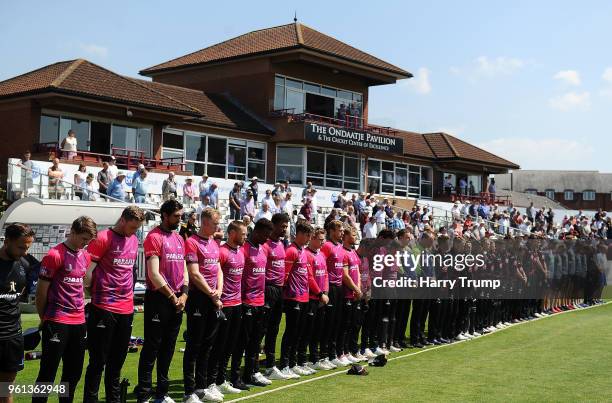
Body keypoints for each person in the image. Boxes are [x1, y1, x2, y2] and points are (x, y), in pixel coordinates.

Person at [83, 206, 145, 403]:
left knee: (117, 362)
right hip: (103, 307)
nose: (134, 232)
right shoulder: (102, 238)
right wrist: (92, 295)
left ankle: (113, 399)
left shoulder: (134, 240)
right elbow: (87, 272)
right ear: (123, 220)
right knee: (97, 361)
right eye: (132, 227)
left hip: (126, 309)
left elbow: (129, 271)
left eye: (137, 229)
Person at [34, 216, 97, 403]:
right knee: (47, 373)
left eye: (89, 240)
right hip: (57, 320)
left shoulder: (85, 256)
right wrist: (44, 318)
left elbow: (82, 285)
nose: (86, 244)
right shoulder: (54, 255)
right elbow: (40, 294)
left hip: (79, 322)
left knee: (73, 373)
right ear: (73, 232)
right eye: (83, 239)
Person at [135, 200, 188, 403]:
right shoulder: (154, 237)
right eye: (176, 216)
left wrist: (183, 295)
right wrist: (173, 297)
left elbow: (184, 271)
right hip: (159, 299)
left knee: (168, 348)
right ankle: (144, 395)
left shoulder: (179, 238)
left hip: (177, 299)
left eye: (181, 215)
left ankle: (162, 393)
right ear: (165, 215)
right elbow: (154, 274)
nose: (179, 219)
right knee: (152, 348)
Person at [183, 208, 224, 403]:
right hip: (199, 297)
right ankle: (189, 391)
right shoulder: (191, 242)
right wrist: (211, 293)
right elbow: (194, 273)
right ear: (205, 222)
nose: (218, 226)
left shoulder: (214, 243)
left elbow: (218, 269)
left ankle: (202, 386)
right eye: (215, 223)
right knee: (194, 345)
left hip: (212, 297)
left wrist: (219, 291)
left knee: (208, 345)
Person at [233, 219, 274, 388]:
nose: (267, 238)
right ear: (256, 231)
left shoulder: (264, 248)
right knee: (241, 342)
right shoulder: (243, 249)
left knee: (256, 342)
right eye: (265, 235)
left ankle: (251, 373)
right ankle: (235, 377)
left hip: (260, 301)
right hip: (246, 301)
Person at [208, 221, 247, 396]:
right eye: (243, 233)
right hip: (224, 304)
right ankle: (211, 381)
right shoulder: (222, 252)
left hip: (238, 303)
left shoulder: (241, 252)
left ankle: (222, 380)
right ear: (232, 233)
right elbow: (216, 276)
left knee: (230, 345)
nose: (245, 236)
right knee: (218, 346)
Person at [0, 223, 35, 403]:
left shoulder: (25, 264)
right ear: (7, 241)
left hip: (13, 336)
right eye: (21, 247)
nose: (25, 252)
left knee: (6, 388)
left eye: (28, 247)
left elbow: (17, 296)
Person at [278, 221, 314, 377]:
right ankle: (285, 365)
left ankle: (294, 363)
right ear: (299, 234)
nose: (308, 238)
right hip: (293, 297)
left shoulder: (303, 252)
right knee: (291, 332)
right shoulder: (291, 251)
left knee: (299, 332)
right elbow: (284, 276)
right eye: (307, 235)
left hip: (304, 297)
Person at [261, 213, 290, 380]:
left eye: (286, 226)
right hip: (268, 289)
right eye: (282, 226)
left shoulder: (281, 244)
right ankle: (253, 367)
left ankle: (270, 365)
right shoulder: (265, 245)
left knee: (274, 328)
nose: (284, 229)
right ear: (274, 225)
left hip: (279, 290)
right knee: (262, 328)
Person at [320, 220, 347, 368]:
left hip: (339, 287)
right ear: (331, 231)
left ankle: (332, 354)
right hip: (329, 287)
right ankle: (323, 355)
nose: (342, 232)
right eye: (340, 230)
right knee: (328, 323)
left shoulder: (340, 247)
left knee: (337, 322)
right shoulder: (327, 246)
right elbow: (321, 267)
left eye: (343, 230)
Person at [303, 228, 331, 371]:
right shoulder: (307, 254)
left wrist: (325, 291)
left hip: (322, 298)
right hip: (311, 298)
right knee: (308, 330)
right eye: (320, 239)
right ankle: (304, 360)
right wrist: (320, 293)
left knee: (318, 330)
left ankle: (315, 359)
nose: (323, 242)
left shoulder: (321, 255)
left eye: (323, 239)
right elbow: (309, 277)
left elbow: (325, 275)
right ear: (312, 238)